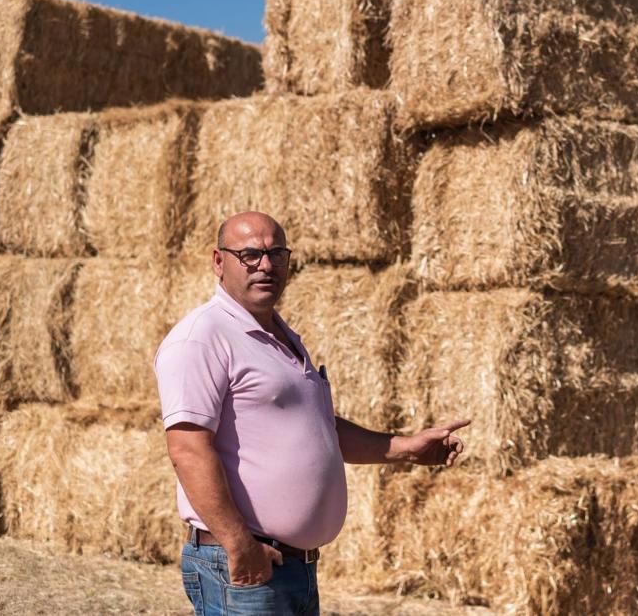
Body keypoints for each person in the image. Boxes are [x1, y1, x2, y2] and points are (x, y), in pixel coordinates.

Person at [154, 210, 467, 616]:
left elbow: (318, 430)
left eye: (276, 254)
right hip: (246, 565)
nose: (265, 266)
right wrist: (238, 545)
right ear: (219, 261)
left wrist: (407, 448)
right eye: (249, 255)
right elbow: (188, 450)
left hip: (293, 568)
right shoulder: (203, 337)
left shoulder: (279, 336)